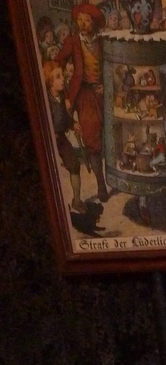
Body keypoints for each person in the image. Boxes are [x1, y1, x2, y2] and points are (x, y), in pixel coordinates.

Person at [56, 4, 109, 202]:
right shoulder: (72, 41)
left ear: (94, 22)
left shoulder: (103, 41)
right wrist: (66, 92)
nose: (82, 24)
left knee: (112, 132)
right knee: (91, 137)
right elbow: (57, 62)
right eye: (79, 20)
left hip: (105, 92)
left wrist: (106, 83)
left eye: (86, 20)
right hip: (84, 94)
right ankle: (101, 183)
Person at [42, 60, 85, 213]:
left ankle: (77, 201)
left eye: (62, 76)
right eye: (58, 77)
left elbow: (64, 118)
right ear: (49, 82)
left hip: (60, 138)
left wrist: (73, 124)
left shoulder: (60, 98)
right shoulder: (45, 100)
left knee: (74, 165)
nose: (63, 80)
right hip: (47, 141)